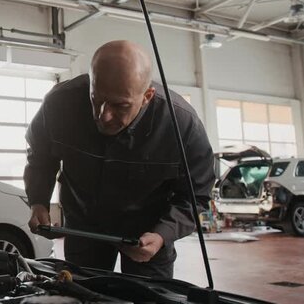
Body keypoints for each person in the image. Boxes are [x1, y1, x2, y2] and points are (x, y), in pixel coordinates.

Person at [24, 40, 214, 278]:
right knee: (84, 292)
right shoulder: (60, 104)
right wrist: (38, 201)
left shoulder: (182, 125)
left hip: (148, 232)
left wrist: (162, 234)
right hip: (85, 227)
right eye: (96, 98)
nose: (103, 115)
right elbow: (40, 157)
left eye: (120, 105)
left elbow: (195, 195)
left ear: (147, 96)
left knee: (149, 297)